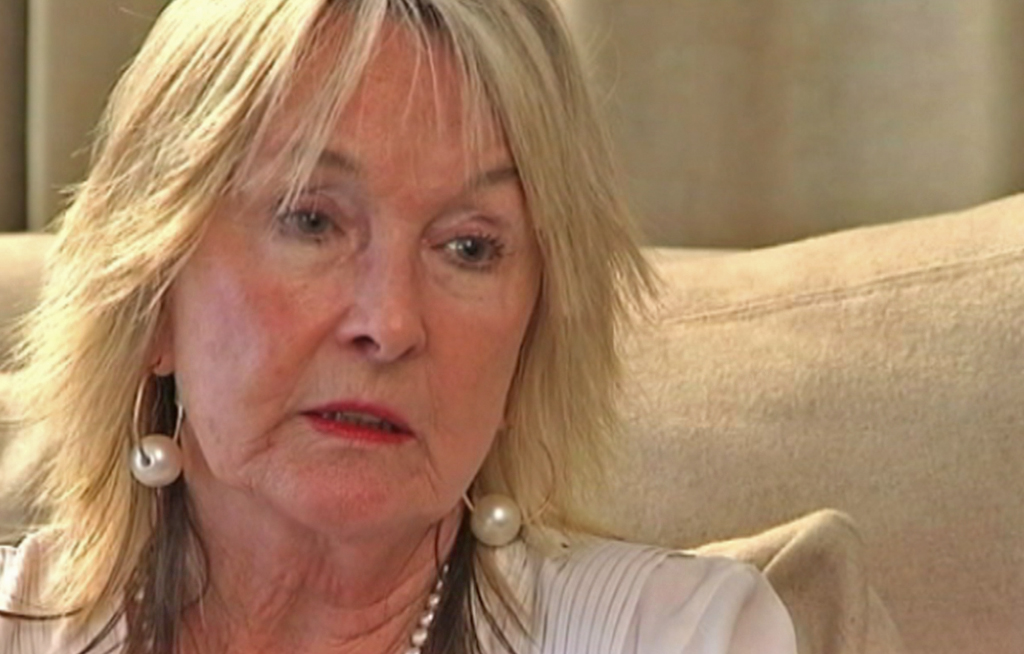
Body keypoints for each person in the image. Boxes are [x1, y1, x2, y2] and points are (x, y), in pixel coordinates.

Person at [0, 1, 797, 653]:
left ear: (533, 333)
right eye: (312, 221)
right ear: (151, 290)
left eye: (469, 247)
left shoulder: (679, 635)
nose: (390, 323)